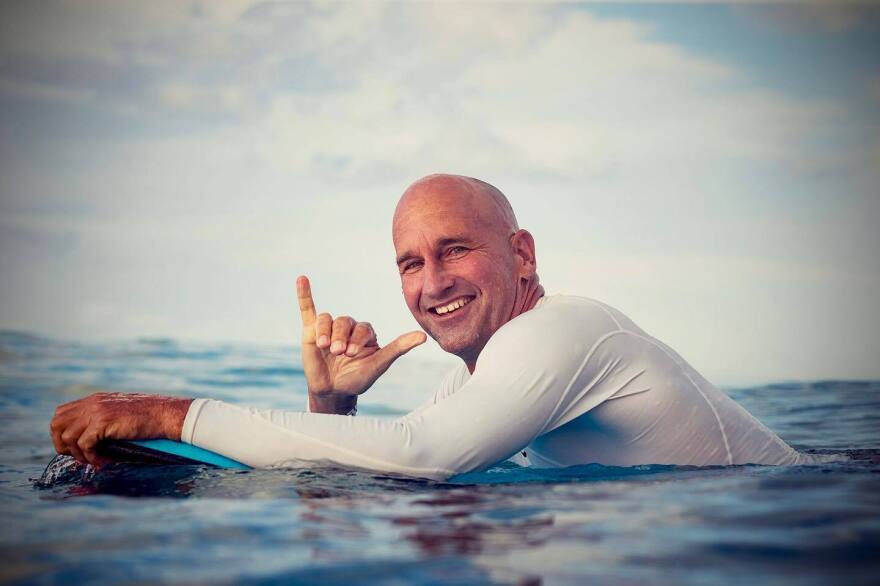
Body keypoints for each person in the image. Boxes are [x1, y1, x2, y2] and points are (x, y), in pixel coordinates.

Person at [50, 174, 821, 480]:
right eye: (410, 264)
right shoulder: (481, 373)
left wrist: (166, 413)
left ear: (521, 254)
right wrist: (333, 408)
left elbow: (424, 456)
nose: (433, 282)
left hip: (803, 516)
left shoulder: (563, 332)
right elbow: (371, 472)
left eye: (455, 250)